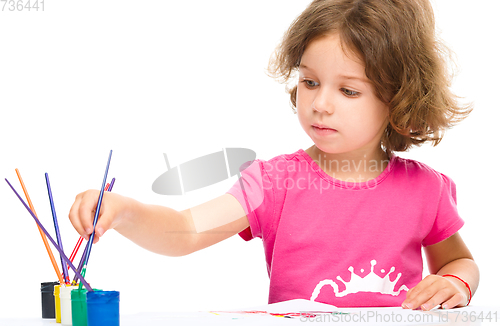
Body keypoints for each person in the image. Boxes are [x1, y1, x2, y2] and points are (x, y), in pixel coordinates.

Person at [69, 0, 479, 310]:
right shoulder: (273, 182)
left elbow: (459, 261)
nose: (320, 103)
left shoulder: (425, 190)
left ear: (399, 99)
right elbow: (185, 230)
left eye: (348, 90)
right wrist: (123, 211)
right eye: (310, 81)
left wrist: (457, 284)